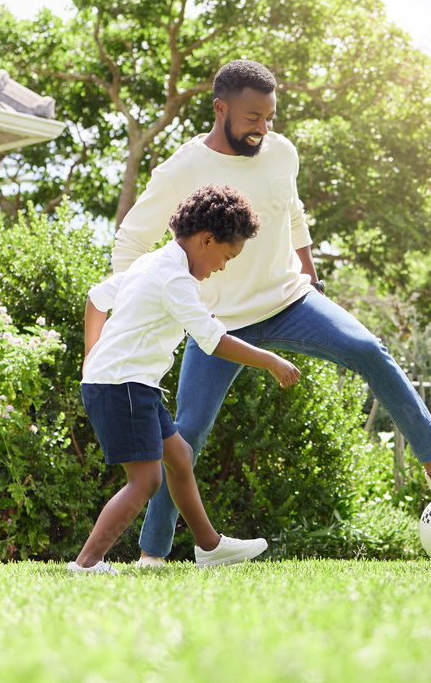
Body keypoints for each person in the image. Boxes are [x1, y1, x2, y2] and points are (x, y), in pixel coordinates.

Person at [112, 59, 431, 568]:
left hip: (289, 299)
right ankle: (153, 556)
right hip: (221, 320)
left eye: (271, 117)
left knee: (368, 348)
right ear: (220, 108)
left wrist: (310, 275)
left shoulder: (282, 152)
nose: (264, 128)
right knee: (186, 435)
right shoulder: (182, 169)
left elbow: (292, 212)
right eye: (254, 117)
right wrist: (124, 305)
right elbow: (131, 239)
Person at [70, 184, 301, 574]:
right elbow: (213, 340)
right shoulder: (173, 279)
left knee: (179, 457)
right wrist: (271, 362)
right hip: (123, 385)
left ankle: (210, 546)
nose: (223, 266)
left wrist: (91, 355)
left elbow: (96, 298)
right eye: (226, 256)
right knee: (145, 482)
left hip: (128, 382)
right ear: (206, 239)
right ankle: (87, 564)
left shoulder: (152, 263)